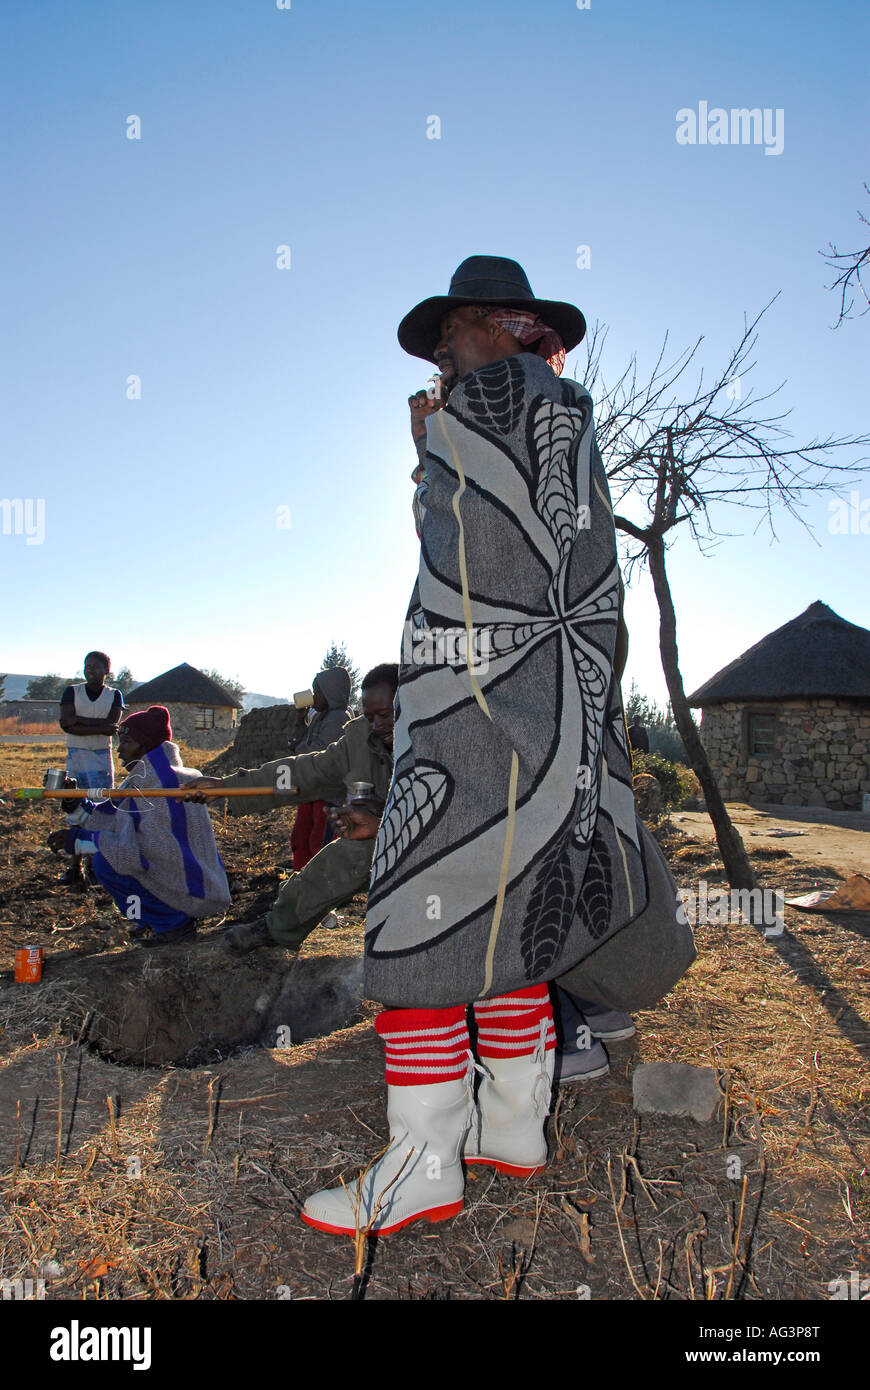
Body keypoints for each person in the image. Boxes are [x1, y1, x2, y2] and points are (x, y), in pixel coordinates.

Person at [302, 256, 651, 1238]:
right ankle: (513, 1127)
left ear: (500, 326)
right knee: (510, 930)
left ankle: (423, 1165)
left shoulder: (500, 395)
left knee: (415, 929)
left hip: (484, 726)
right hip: (543, 726)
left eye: (450, 336)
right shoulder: (559, 407)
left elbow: (479, 566)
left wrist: (430, 447)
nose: (441, 360)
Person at [192, 664, 397, 957]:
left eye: (386, 715)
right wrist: (227, 788)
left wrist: (385, 819)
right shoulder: (358, 740)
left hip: (438, 846)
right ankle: (277, 928)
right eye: (370, 716)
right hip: (381, 838)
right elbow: (303, 772)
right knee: (341, 857)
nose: (377, 724)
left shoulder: (440, 740)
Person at [48, 705, 231, 946]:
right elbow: (113, 820)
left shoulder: (158, 787)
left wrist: (79, 841)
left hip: (194, 890)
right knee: (109, 857)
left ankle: (173, 924)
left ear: (143, 745)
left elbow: (133, 855)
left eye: (126, 742)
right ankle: (155, 920)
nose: (119, 750)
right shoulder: (157, 777)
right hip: (197, 884)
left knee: (106, 863)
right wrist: (75, 803)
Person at [57, 652, 123, 886]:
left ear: (106, 669)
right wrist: (98, 726)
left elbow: (111, 728)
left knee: (102, 811)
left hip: (101, 759)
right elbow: (66, 723)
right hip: (76, 757)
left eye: (95, 667)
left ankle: (98, 866)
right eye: (87, 666)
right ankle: (76, 867)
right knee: (74, 808)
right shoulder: (71, 691)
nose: (89, 670)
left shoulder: (114, 695)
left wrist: (80, 722)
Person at [288, 667, 353, 870]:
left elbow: (312, 754)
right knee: (301, 838)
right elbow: (302, 748)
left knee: (320, 843)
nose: (314, 696)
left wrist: (300, 750)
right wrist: (301, 720)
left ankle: (322, 888)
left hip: (329, 794)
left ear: (331, 692)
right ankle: (301, 880)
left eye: (317, 691)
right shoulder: (321, 717)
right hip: (313, 789)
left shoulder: (339, 719)